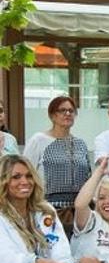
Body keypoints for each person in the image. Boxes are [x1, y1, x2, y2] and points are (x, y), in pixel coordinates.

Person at [23, 96, 92, 232]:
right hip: (47, 209)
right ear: (52, 115)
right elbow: (25, 173)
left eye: (71, 111)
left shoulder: (81, 144)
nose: (67, 114)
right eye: (62, 110)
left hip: (78, 211)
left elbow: (88, 177)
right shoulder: (39, 140)